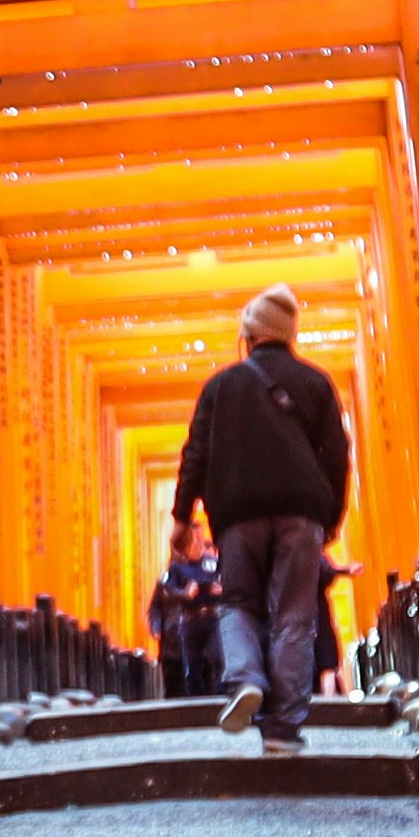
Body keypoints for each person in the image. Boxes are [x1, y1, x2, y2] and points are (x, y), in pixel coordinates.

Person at [166, 286, 352, 750]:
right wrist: (331, 516)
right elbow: (337, 454)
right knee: (294, 614)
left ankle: (247, 678)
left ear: (248, 336)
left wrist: (182, 515)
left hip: (237, 515)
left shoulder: (221, 385)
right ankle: (284, 729)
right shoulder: (315, 382)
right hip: (301, 512)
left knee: (238, 603)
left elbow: (197, 453)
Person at [149, 510, 226, 697]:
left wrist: (223, 590)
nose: (199, 545)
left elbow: (230, 580)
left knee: (217, 658)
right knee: (192, 666)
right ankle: (196, 703)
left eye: (201, 540)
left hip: (213, 616)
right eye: (195, 540)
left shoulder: (212, 563)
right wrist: (186, 593)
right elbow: (166, 591)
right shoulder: (177, 567)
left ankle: (219, 699)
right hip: (190, 619)